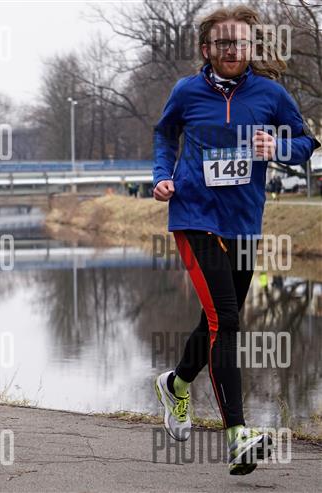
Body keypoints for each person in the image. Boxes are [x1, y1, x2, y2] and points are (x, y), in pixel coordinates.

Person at [152, 5, 320, 475]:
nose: (232, 49)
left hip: (244, 222)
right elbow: (165, 136)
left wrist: (278, 148)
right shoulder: (186, 91)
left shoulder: (271, 94)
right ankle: (238, 435)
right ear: (206, 48)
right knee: (225, 321)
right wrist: (161, 176)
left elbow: (306, 143)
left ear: (251, 47)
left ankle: (176, 383)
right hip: (194, 216)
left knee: (216, 320)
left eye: (240, 42)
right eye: (223, 42)